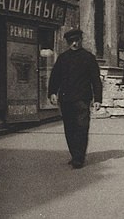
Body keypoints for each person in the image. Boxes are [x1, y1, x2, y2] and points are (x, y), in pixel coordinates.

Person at [48, 28, 102, 169]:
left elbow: (96, 80)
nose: (74, 44)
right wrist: (52, 92)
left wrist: (98, 99)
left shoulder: (88, 57)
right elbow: (55, 77)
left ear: (81, 40)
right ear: (67, 42)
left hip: (82, 99)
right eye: (71, 41)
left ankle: (79, 157)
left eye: (77, 40)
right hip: (66, 99)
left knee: (82, 128)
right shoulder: (63, 58)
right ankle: (75, 154)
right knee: (69, 129)